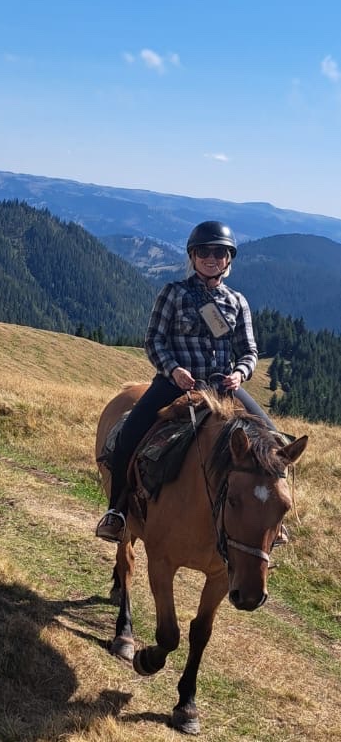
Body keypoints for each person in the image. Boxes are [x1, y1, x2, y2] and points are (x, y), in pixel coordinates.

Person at [96, 220, 278, 541]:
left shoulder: (237, 303)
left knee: (274, 441)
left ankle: (271, 520)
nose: (212, 258)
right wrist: (174, 370)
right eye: (204, 251)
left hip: (222, 389)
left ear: (229, 259)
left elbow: (249, 351)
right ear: (192, 256)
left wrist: (239, 373)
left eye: (220, 252)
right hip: (175, 385)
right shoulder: (173, 294)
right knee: (128, 435)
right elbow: (154, 341)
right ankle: (117, 511)